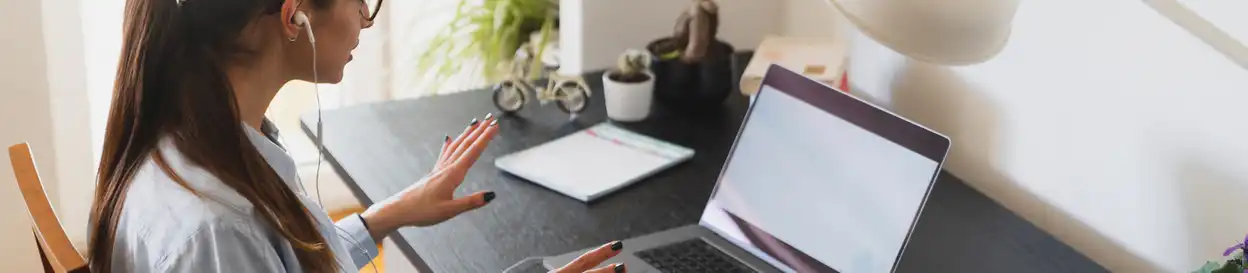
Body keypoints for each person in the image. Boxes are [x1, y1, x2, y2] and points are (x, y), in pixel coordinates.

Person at [87, 0, 626, 272]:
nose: (367, 21)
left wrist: (384, 217)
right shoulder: (222, 230)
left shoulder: (186, 141)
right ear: (294, 15)